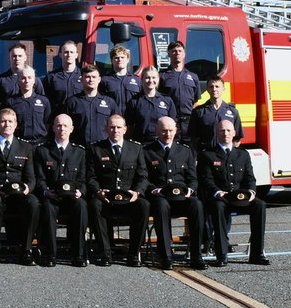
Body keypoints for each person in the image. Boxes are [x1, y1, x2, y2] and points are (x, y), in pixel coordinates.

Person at [199, 119, 269, 266]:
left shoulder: (242, 155)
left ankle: (257, 254)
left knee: (260, 205)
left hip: (239, 197)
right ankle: (222, 254)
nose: (226, 133)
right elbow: (206, 180)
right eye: (222, 131)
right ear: (217, 133)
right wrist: (217, 192)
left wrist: (251, 192)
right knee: (218, 208)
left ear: (234, 133)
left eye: (229, 130)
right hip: (220, 199)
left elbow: (250, 178)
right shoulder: (208, 155)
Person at [143, 116, 207, 270]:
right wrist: (155, 190)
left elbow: (192, 178)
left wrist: (190, 191)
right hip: (160, 198)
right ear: (157, 131)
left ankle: (196, 255)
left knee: (197, 205)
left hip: (181, 198)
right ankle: (165, 255)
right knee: (161, 204)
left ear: (176, 131)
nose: (168, 134)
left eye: (171, 130)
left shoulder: (184, 151)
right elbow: (144, 178)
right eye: (164, 130)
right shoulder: (147, 151)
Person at [0, 109, 39, 266]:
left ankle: (26, 250)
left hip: (18, 194)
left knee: (33, 203)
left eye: (10, 121)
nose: (7, 124)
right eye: (3, 121)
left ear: (16, 124)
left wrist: (27, 188)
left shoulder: (25, 147)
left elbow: (31, 178)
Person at [86, 114, 150, 267]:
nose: (115, 130)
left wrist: (137, 192)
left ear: (125, 129)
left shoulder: (136, 148)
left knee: (144, 205)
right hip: (106, 199)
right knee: (94, 205)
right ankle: (105, 252)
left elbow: (143, 176)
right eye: (112, 127)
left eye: (119, 127)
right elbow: (90, 177)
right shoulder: (96, 149)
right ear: (106, 129)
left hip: (129, 199)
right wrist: (97, 192)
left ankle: (133, 253)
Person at [34, 113, 88, 267]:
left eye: (65, 126)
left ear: (71, 129)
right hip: (53, 196)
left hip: (72, 197)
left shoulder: (80, 152)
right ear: (53, 128)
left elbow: (83, 179)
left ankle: (78, 254)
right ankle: (50, 254)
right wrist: (45, 191)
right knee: (47, 208)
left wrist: (81, 191)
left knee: (82, 206)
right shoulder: (42, 151)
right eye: (58, 125)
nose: (61, 128)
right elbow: (40, 178)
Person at [65, 64, 119, 148]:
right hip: (79, 148)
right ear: (81, 79)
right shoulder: (72, 102)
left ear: (99, 79)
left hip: (102, 149)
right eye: (87, 77)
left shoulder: (109, 102)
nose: (91, 80)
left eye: (94, 77)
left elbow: (117, 126)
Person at [159, 41, 202, 141]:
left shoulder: (193, 76)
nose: (177, 53)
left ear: (184, 54)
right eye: (174, 51)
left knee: (190, 152)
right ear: (169, 54)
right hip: (170, 122)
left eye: (179, 51)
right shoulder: (162, 76)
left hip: (189, 123)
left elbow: (195, 101)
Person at [189, 77, 243, 151]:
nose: (214, 89)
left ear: (223, 89)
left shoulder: (233, 112)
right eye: (211, 86)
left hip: (225, 156)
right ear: (207, 89)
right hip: (206, 155)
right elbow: (193, 138)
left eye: (217, 86)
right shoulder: (198, 112)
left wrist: (231, 154)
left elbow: (237, 138)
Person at [125, 66, 177, 143]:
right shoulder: (134, 101)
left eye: (153, 77)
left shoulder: (167, 100)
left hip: (161, 143)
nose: (151, 80)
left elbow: (173, 123)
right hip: (141, 143)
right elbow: (129, 126)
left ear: (158, 79)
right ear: (141, 79)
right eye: (147, 78)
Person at [0, 43, 43, 109]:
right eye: (14, 56)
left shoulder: (34, 80)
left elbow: (42, 101)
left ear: (25, 57)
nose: (17, 59)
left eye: (20, 56)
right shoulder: (0, 80)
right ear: (9, 58)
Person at [7, 67, 50, 143]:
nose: (26, 81)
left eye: (29, 78)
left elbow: (48, 123)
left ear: (34, 80)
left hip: (40, 143)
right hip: (20, 144)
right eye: (23, 78)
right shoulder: (10, 102)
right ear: (18, 80)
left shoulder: (44, 101)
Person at [43, 41, 83, 112]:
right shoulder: (51, 77)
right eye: (66, 52)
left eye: (72, 52)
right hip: (58, 118)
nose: (69, 55)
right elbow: (45, 101)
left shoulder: (83, 75)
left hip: (78, 119)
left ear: (76, 55)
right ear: (60, 54)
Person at [99, 45, 141, 112]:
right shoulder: (105, 80)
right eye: (116, 58)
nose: (119, 60)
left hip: (133, 119)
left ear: (127, 60)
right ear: (111, 60)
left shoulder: (137, 80)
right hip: (113, 119)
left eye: (122, 57)